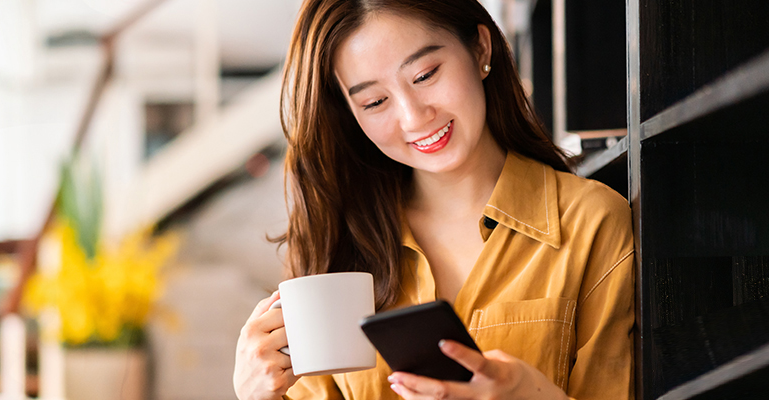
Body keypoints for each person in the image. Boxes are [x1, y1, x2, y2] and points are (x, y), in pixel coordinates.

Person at [232, 0, 635, 399]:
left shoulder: (590, 222)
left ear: (480, 48)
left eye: (425, 74)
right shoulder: (338, 251)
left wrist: (530, 394)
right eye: (374, 102)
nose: (413, 116)